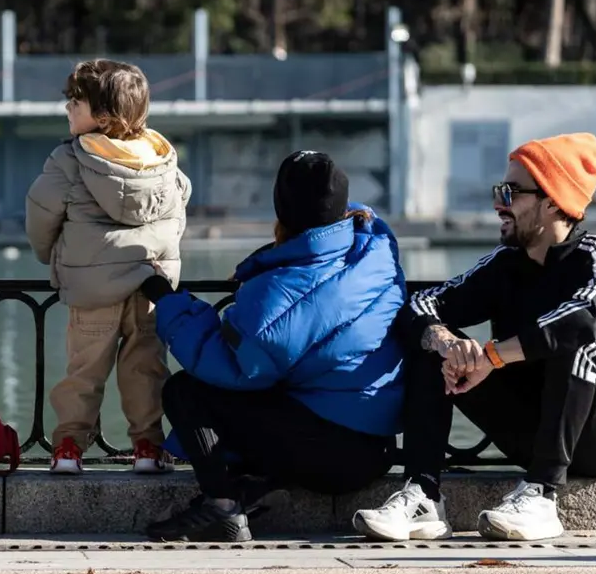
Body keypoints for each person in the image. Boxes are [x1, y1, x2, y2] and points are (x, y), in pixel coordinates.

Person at [353, 132, 596, 543]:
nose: (499, 203)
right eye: (499, 191)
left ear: (553, 201)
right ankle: (423, 496)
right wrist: (447, 343)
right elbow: (421, 304)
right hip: (534, 429)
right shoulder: (505, 265)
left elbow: (584, 319)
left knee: (576, 340)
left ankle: (542, 495)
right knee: (433, 346)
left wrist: (493, 356)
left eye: (511, 192)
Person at [139, 151, 406, 542]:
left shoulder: (279, 291)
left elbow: (229, 366)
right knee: (287, 390)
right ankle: (255, 488)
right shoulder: (375, 247)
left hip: (330, 455)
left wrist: (168, 300)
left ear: (282, 208)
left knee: (186, 391)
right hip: (378, 449)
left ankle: (221, 507)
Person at [25, 58, 192, 475]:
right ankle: (148, 448)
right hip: (150, 287)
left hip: (93, 288)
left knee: (84, 371)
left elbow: (40, 216)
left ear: (101, 116)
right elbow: (179, 207)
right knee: (145, 368)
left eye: (75, 102)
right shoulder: (160, 159)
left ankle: (68, 447)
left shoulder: (70, 160)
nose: (67, 108)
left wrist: (53, 257)